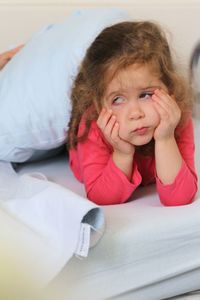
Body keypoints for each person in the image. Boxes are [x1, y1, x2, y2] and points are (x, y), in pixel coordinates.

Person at [67, 21, 198, 206]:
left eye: (145, 95)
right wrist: (122, 153)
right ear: (98, 104)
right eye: (118, 100)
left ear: (170, 88)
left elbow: (180, 198)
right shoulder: (93, 124)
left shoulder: (176, 116)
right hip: (85, 148)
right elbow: (101, 197)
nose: (135, 113)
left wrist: (166, 139)